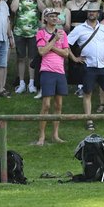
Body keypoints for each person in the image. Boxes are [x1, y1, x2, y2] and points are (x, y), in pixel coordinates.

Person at [68, 2, 104, 130]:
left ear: (98, 13)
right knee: (87, 92)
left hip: (103, 65)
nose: (92, 13)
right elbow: (66, 43)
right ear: (87, 13)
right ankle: (88, 120)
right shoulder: (79, 28)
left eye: (94, 11)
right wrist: (74, 58)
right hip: (88, 65)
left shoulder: (103, 28)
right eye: (90, 11)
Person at [33, 9, 69, 145]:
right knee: (46, 104)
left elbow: (66, 53)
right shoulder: (41, 33)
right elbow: (42, 51)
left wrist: (51, 46)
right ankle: (41, 136)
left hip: (60, 71)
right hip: (47, 70)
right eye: (51, 16)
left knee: (59, 104)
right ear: (46, 18)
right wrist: (54, 40)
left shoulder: (62, 33)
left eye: (56, 16)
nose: (54, 18)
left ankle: (55, 135)